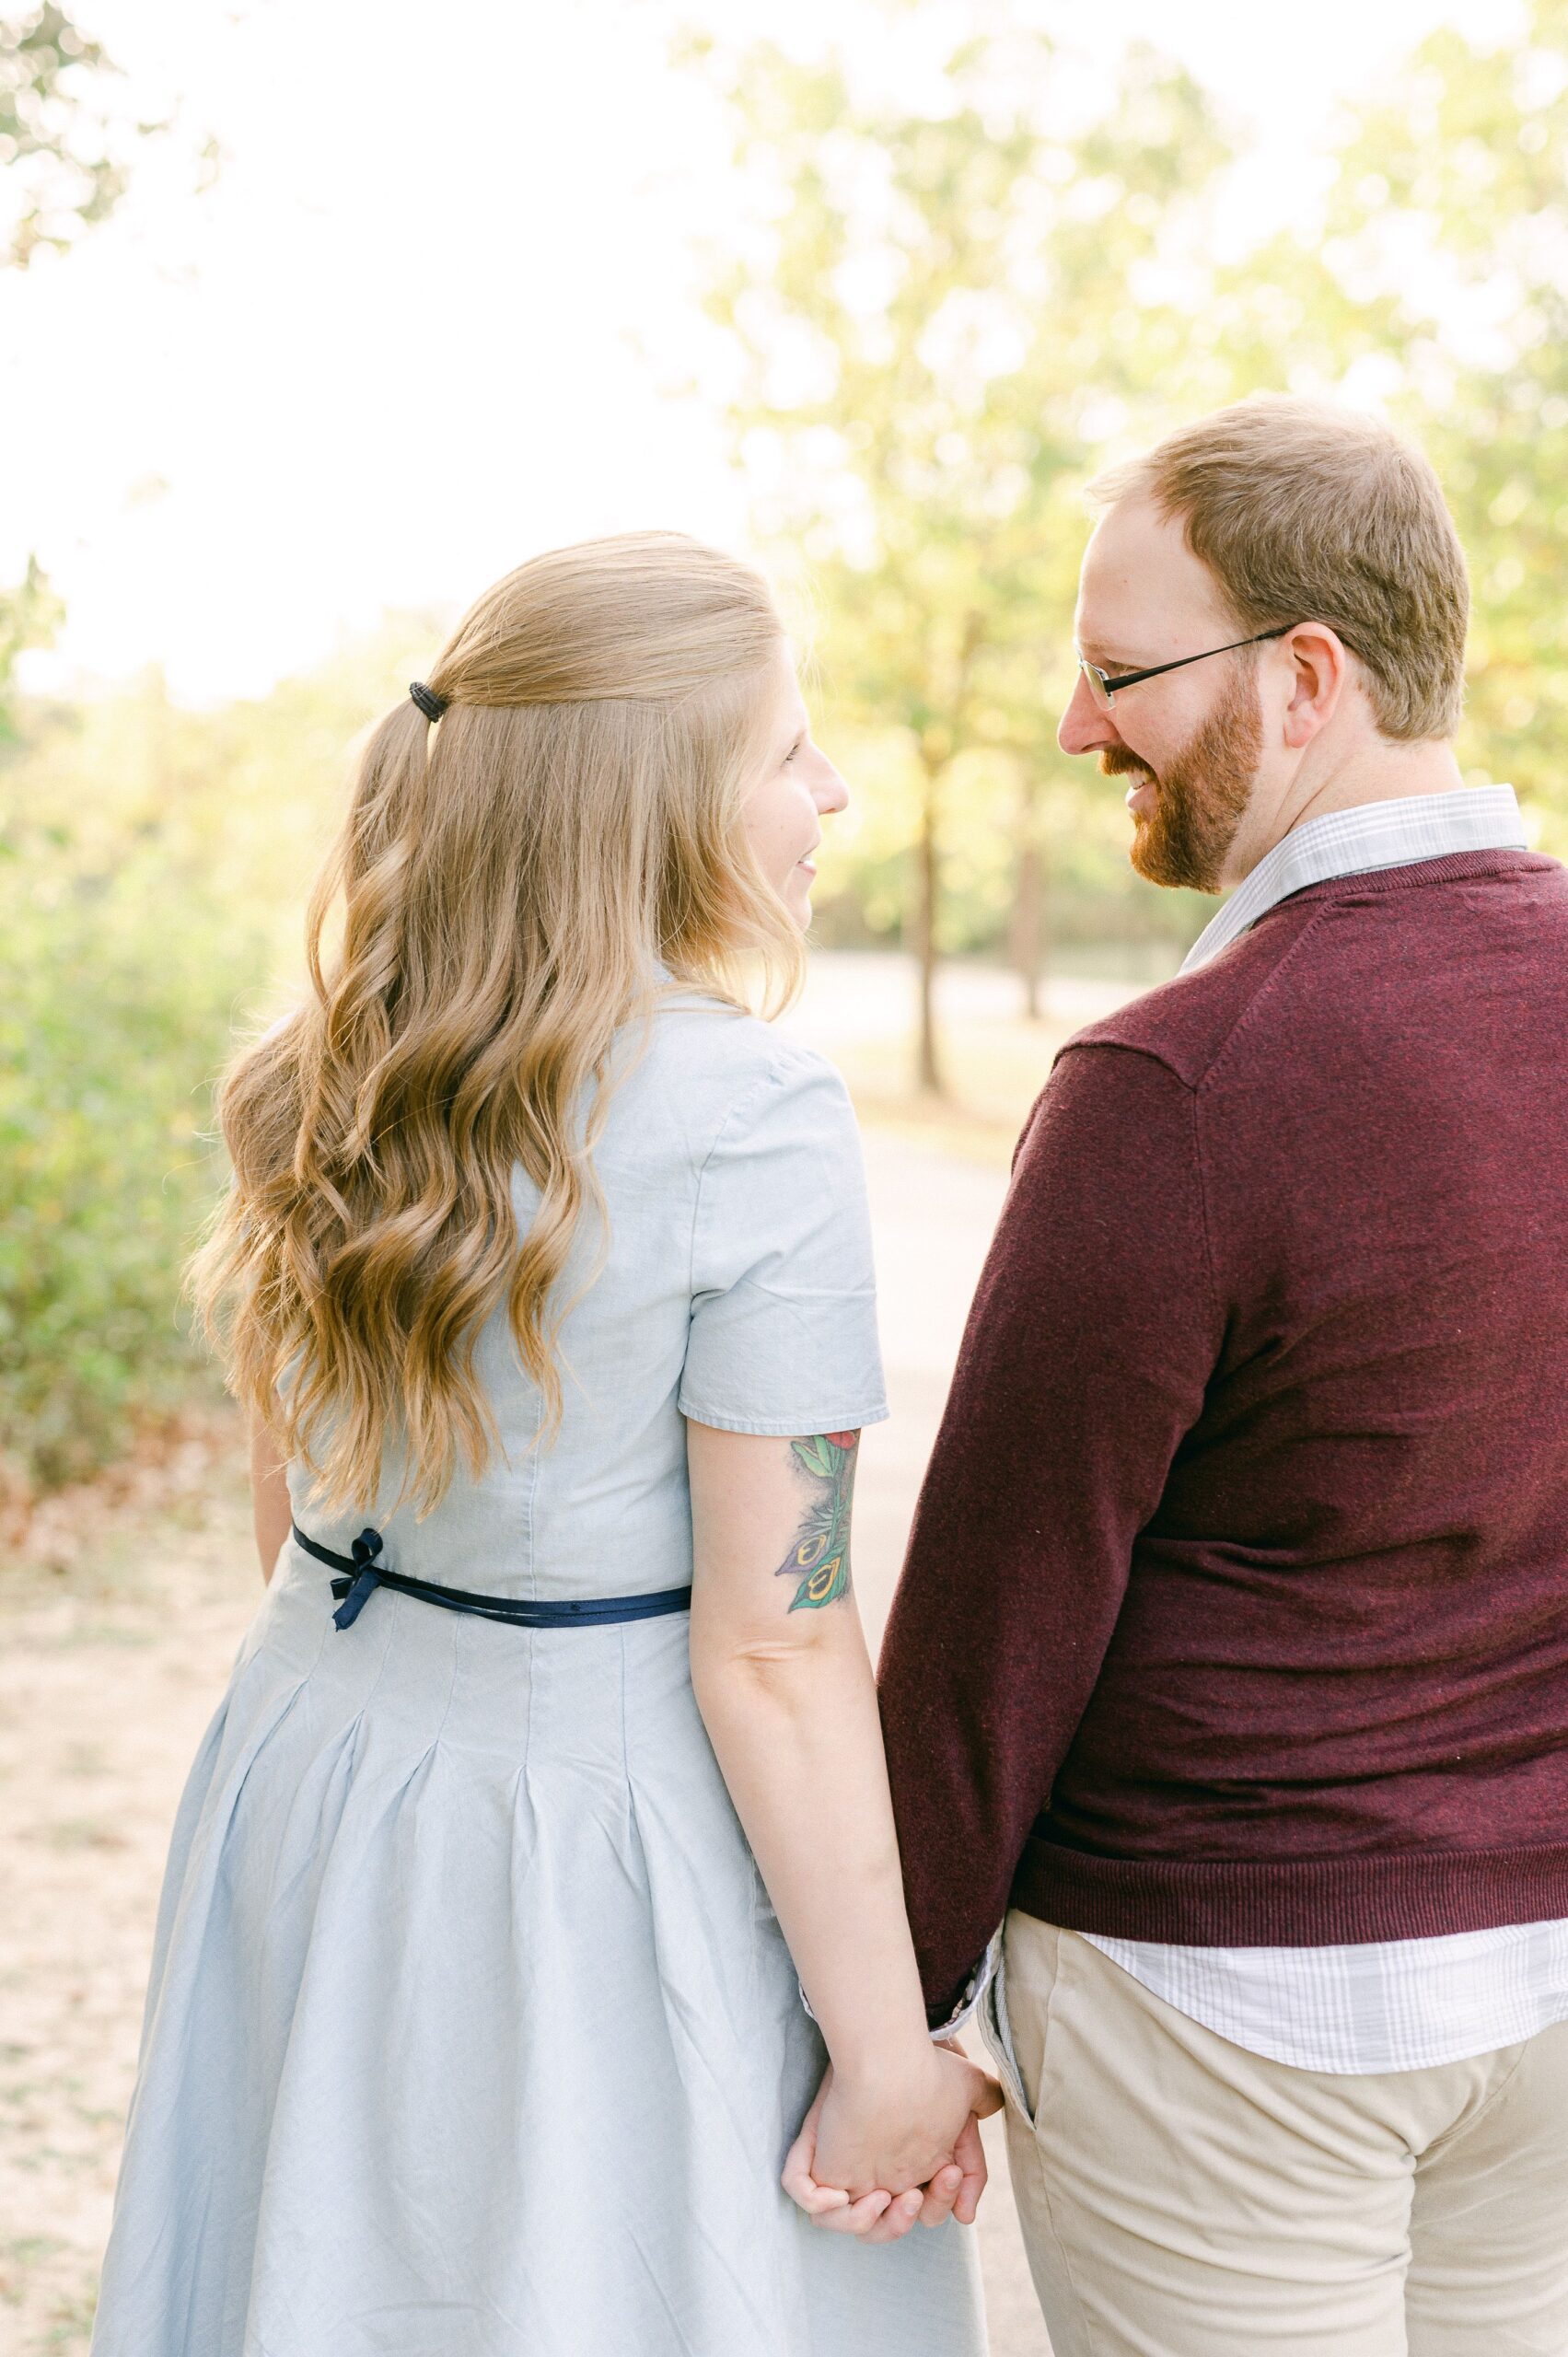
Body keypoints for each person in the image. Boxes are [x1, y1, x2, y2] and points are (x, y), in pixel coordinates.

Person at [88, 533, 994, 2357]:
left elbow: (292, 1517)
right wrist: (887, 2055)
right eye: (789, 750)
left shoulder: (327, 1058)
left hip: (314, 1766)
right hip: (587, 1831)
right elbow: (782, 1627)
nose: (830, 792)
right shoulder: (752, 1109)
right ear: (661, 802)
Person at [876, 399, 1568, 2356]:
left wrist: (882, 2017)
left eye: (1117, 673)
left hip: (1230, 2011)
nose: (1078, 724)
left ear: (1310, 673)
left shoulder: (1177, 1083)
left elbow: (993, 1628)